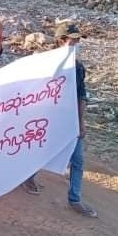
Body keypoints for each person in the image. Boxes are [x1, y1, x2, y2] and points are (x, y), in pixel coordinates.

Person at [23, 23, 97, 218]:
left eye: (78, 41)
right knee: (43, 151)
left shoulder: (78, 67)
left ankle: (75, 199)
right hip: (50, 118)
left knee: (78, 160)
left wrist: (81, 122)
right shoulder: (47, 64)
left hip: (70, 119)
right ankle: (28, 177)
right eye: (73, 41)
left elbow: (81, 96)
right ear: (60, 41)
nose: (76, 45)